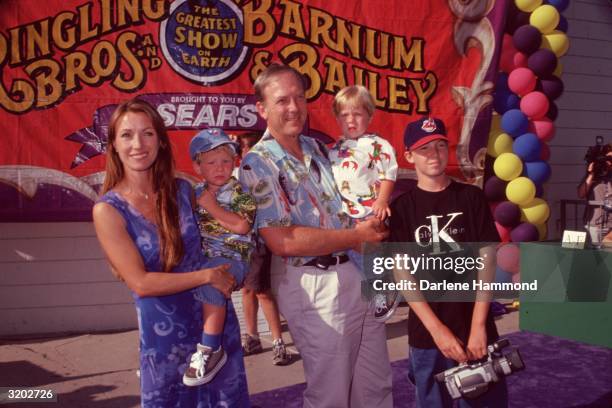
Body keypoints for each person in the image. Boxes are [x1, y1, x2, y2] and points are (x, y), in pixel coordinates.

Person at [238, 63, 393, 408]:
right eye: (281, 101)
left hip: (358, 273)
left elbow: (358, 195)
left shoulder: (320, 149)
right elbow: (282, 241)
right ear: (262, 108)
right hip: (317, 287)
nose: (293, 107)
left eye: (299, 97)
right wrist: (357, 237)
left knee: (375, 387)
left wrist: (375, 216)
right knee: (331, 397)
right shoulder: (258, 164)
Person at [92, 98, 249, 407]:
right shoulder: (107, 210)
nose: (138, 143)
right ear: (113, 145)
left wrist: (234, 266)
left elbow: (219, 238)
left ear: (161, 141)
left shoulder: (183, 190)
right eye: (126, 135)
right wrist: (207, 275)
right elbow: (140, 282)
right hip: (165, 339)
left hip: (212, 331)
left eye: (147, 133)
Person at [388, 117, 508, 407]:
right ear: (408, 155)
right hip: (428, 336)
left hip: (475, 328)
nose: (434, 154)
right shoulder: (401, 208)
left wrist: (478, 326)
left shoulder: (471, 197)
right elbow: (402, 273)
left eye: (441, 146)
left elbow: (487, 262)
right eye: (424, 148)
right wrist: (437, 330)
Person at [184, 128, 256, 386]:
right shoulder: (194, 192)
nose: (220, 167)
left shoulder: (240, 192)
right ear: (197, 166)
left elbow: (242, 227)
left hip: (231, 257)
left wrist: (211, 206)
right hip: (202, 258)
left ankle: (211, 348)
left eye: (226, 161)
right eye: (211, 162)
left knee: (212, 281)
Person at [328, 85, 400, 321]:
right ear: (337, 118)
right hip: (345, 215)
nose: (351, 120)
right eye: (344, 115)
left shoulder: (377, 145)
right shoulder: (336, 148)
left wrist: (382, 200)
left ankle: (385, 291)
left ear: (369, 115)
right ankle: (375, 293)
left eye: (357, 114)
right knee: (356, 259)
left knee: (370, 257)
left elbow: (388, 173)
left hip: (369, 211)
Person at [237, 131, 293, 366]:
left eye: (254, 147)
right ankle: (252, 337)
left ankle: (278, 343)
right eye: (245, 147)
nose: (250, 152)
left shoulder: (268, 176)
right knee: (247, 291)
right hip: (242, 243)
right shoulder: (235, 176)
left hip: (260, 240)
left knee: (261, 290)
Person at [577, 141, 612, 246]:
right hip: (594, 224)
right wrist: (591, 174)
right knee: (594, 257)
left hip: (611, 226)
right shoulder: (594, 175)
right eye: (608, 158)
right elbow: (581, 194)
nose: (610, 162)